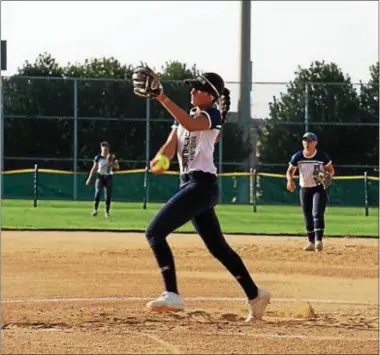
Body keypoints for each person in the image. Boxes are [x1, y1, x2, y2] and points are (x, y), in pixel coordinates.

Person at [132, 68, 271, 322]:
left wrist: (162, 97)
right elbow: (171, 145)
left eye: (197, 88)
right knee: (218, 248)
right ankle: (255, 295)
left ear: (210, 95)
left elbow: (190, 124)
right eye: (192, 87)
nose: (192, 91)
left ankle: (172, 293)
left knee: (154, 232)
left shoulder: (211, 115)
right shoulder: (186, 117)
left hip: (202, 186)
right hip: (190, 186)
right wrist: (160, 158)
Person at [286, 132, 335, 252]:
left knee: (316, 213)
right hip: (305, 189)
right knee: (307, 215)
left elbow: (331, 170)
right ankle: (311, 242)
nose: (306, 143)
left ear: (315, 143)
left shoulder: (322, 156)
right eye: (304, 140)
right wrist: (290, 180)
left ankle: (318, 241)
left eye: (309, 141)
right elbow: (290, 171)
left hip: (319, 188)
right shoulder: (298, 156)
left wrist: (328, 175)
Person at [85, 141, 120, 218]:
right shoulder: (98, 157)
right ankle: (95, 210)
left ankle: (107, 212)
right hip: (100, 176)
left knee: (108, 195)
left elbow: (117, 167)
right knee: (97, 192)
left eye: (106, 147)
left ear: (108, 148)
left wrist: (112, 164)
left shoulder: (112, 157)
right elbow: (94, 168)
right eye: (103, 147)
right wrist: (89, 178)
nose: (105, 149)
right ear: (101, 148)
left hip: (108, 176)